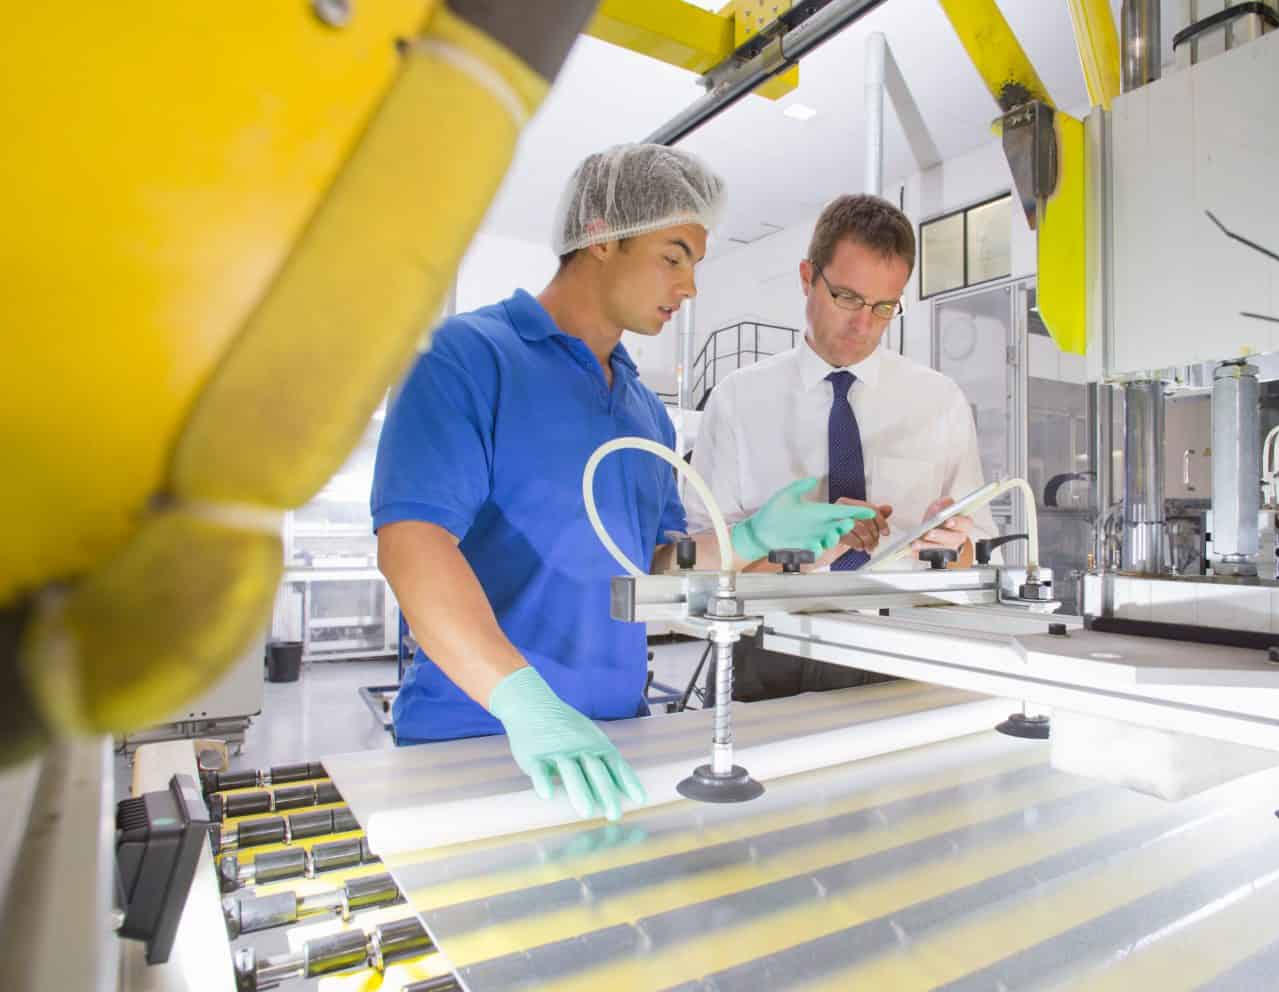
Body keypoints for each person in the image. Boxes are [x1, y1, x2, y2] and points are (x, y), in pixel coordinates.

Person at [371, 145, 874, 820]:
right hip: (476, 735)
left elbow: (654, 571)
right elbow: (412, 544)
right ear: (602, 236)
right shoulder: (467, 357)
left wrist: (751, 536)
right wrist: (526, 702)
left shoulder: (642, 411)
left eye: (695, 263)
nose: (690, 286)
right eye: (673, 257)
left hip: (617, 737)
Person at [687, 193, 998, 700]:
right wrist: (797, 544)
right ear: (808, 277)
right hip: (767, 639)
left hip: (899, 640)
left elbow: (978, 556)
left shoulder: (939, 401)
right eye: (847, 298)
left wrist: (955, 546)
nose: (863, 324)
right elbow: (702, 563)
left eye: (883, 307)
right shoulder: (738, 400)